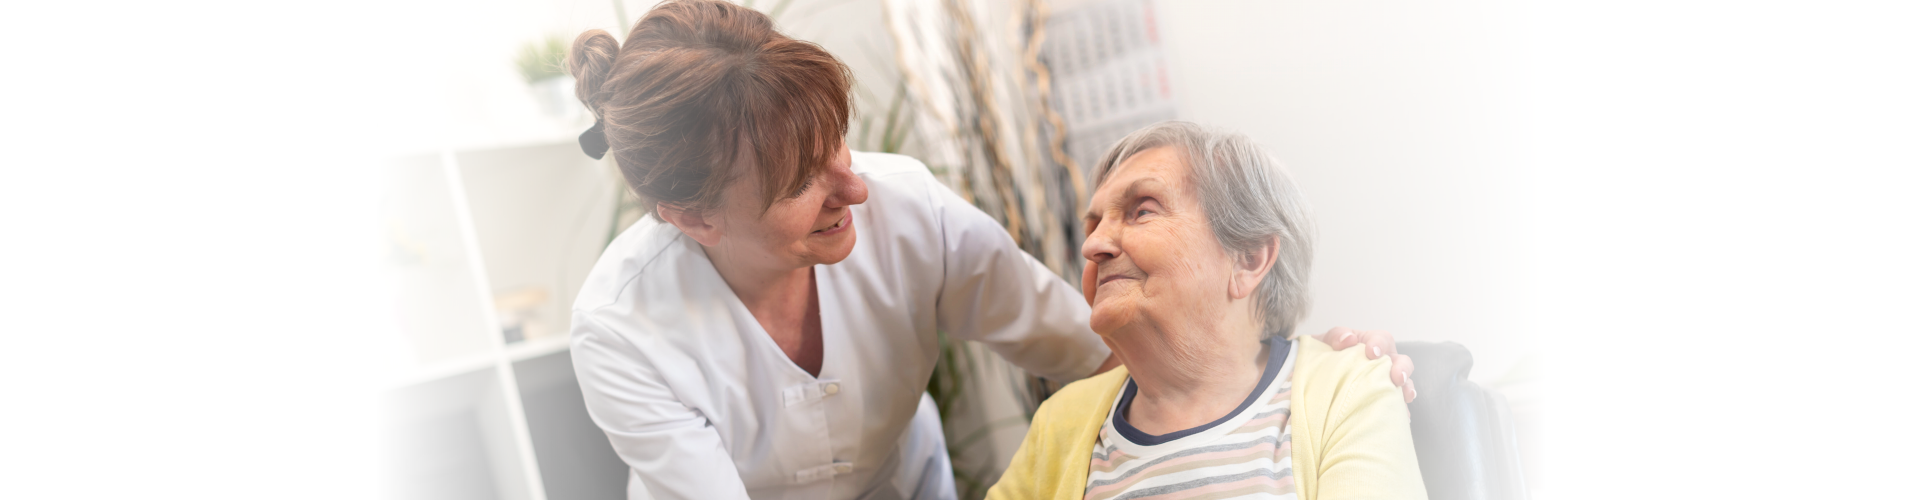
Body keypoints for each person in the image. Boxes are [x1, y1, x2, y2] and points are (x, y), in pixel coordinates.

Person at [564, 2, 1414, 499]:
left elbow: (1087, 335)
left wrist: (1313, 358)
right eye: (798, 183)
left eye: (841, 145)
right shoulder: (622, 329)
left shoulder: (909, 210)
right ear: (691, 216)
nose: (854, 188)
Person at [989, 122, 1426, 500]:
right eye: (1094, 224)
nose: (1093, 245)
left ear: (1248, 259)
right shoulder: (1060, 423)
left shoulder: (1347, 390)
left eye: (1141, 211)